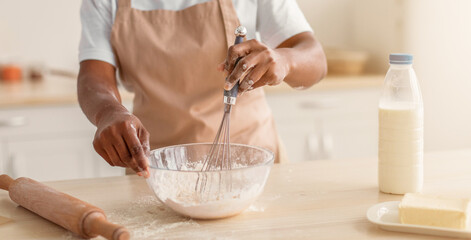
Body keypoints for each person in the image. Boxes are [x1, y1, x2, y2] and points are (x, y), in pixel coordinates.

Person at [77, 0, 327, 177]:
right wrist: (108, 112)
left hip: (252, 166)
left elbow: (315, 59)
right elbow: (94, 75)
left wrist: (285, 59)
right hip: (156, 171)